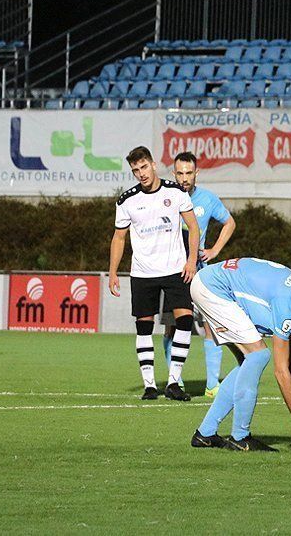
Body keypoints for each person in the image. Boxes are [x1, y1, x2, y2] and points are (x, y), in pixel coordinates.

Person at [189, 257, 291, 452]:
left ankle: (205, 434)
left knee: (246, 363)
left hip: (211, 284)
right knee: (259, 355)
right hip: (212, 288)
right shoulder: (289, 303)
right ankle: (241, 437)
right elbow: (281, 372)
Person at [108, 146, 201, 402]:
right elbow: (118, 238)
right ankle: (149, 385)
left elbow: (193, 227)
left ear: (153, 165)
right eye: (135, 170)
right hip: (143, 273)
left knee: (184, 321)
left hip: (175, 270)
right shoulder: (127, 200)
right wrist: (113, 272)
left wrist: (191, 260)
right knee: (144, 327)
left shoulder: (175, 192)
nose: (141, 173)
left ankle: (173, 382)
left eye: (144, 167)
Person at [161, 151, 236, 398]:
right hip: (172, 273)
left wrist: (214, 250)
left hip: (200, 273)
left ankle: (212, 385)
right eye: (180, 173)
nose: (184, 178)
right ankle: (176, 381)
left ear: (197, 173)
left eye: (189, 173)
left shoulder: (207, 199)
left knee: (211, 326)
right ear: (173, 174)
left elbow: (230, 223)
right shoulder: (165, 198)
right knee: (172, 327)